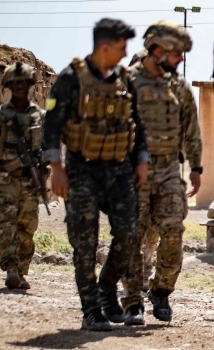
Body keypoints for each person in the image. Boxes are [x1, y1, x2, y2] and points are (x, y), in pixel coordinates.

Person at [42, 18, 150, 331]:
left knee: (129, 235)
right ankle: (92, 310)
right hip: (81, 168)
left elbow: (137, 123)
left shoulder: (124, 79)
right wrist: (57, 169)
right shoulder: (70, 78)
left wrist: (141, 161)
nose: (125, 53)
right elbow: (51, 124)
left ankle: (106, 287)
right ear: (105, 46)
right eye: (121, 47)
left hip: (118, 169)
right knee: (84, 242)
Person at [120, 22, 202, 323]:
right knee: (132, 236)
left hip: (168, 169)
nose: (181, 58)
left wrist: (196, 166)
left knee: (173, 232)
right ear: (159, 49)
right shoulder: (126, 82)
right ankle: (131, 300)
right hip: (132, 170)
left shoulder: (178, 86)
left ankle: (161, 290)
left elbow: (192, 130)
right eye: (177, 52)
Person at [0, 62, 47, 290]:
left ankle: (21, 271)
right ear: (9, 85)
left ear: (29, 84)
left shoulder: (40, 117)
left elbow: (50, 147)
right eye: (15, 83)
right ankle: (10, 268)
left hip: (31, 181)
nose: (20, 86)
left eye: (24, 83)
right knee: (5, 225)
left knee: (27, 229)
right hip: (5, 179)